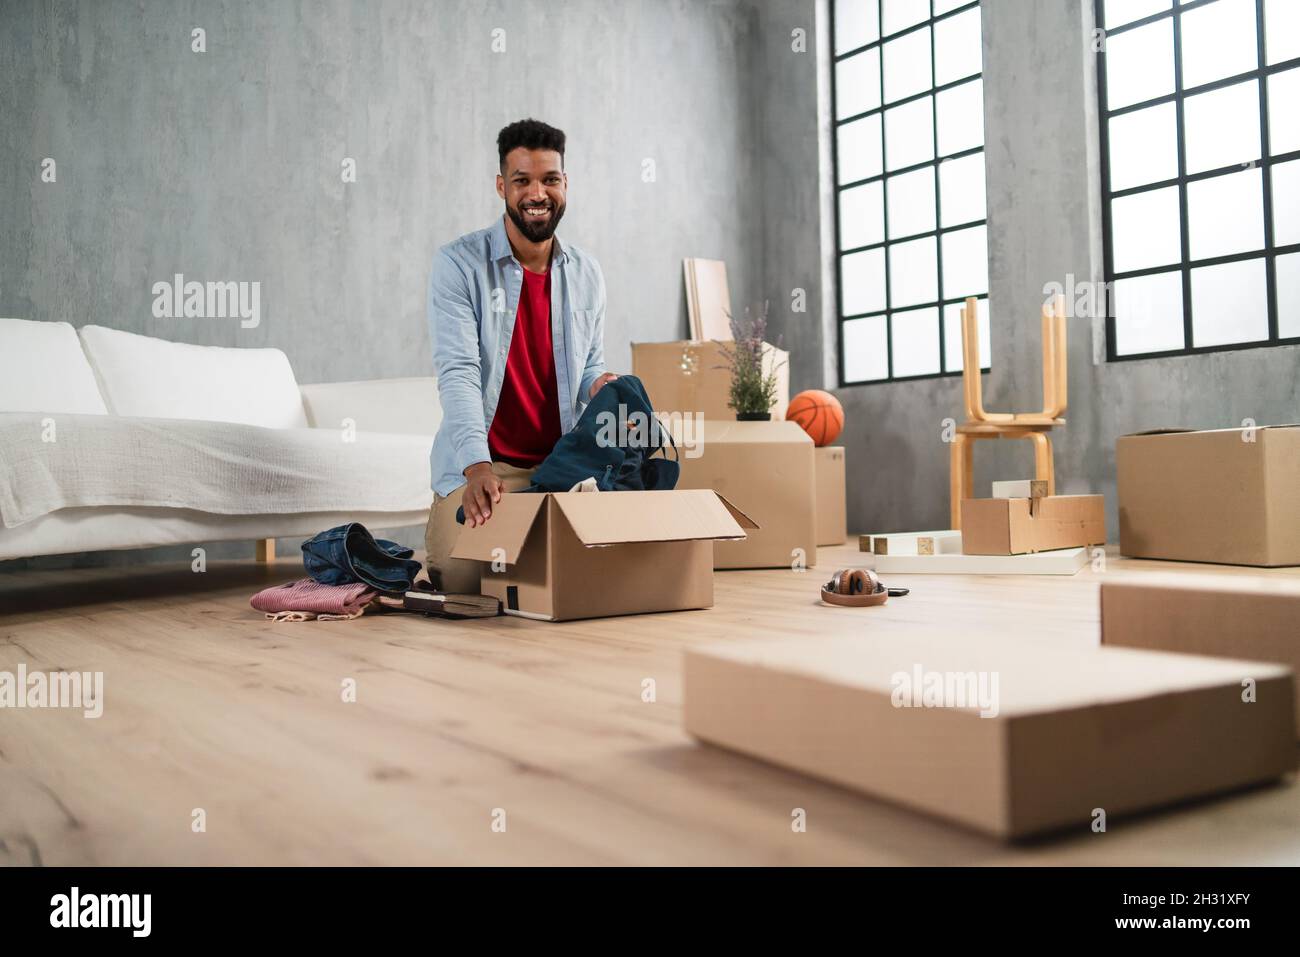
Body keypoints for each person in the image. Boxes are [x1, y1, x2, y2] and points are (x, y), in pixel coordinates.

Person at [424, 118, 618, 593]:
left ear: (565, 184)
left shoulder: (587, 272)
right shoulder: (459, 265)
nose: (537, 193)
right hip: (492, 469)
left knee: (591, 575)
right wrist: (477, 468)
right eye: (522, 180)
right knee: (463, 580)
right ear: (500, 186)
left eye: (550, 179)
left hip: (562, 467)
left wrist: (599, 385)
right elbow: (460, 373)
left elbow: (588, 363)